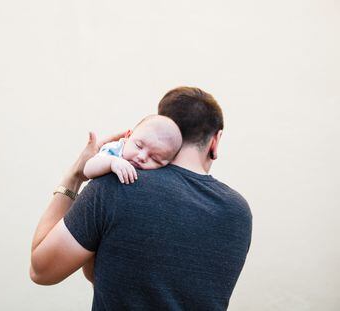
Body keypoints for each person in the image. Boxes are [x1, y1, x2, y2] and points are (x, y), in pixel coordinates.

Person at [30, 86, 253, 311]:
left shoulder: (116, 185)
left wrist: (75, 176)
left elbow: (41, 271)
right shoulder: (238, 213)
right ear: (215, 140)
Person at [83, 114, 182, 184]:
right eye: (138, 146)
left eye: (155, 158)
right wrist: (111, 162)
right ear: (128, 136)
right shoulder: (115, 149)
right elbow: (87, 170)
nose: (142, 157)